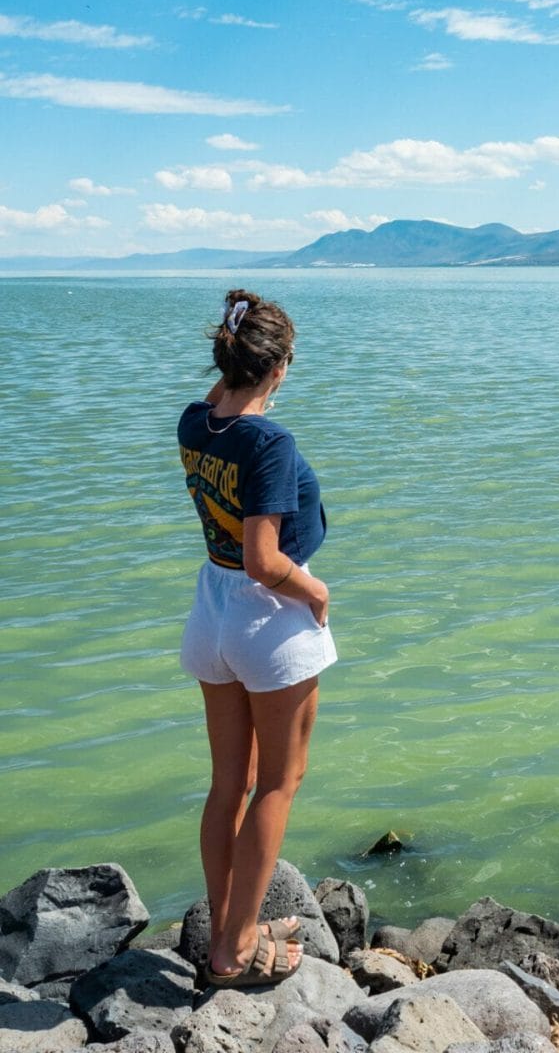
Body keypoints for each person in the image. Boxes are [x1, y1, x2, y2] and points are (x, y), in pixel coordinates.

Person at [178, 288, 336, 987]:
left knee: (228, 786)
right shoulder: (270, 441)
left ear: (227, 359)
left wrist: (246, 361)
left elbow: (223, 398)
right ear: (279, 367)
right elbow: (265, 561)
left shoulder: (195, 423)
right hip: (266, 617)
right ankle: (236, 950)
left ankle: (227, 926)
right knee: (279, 782)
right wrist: (316, 591)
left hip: (210, 613)